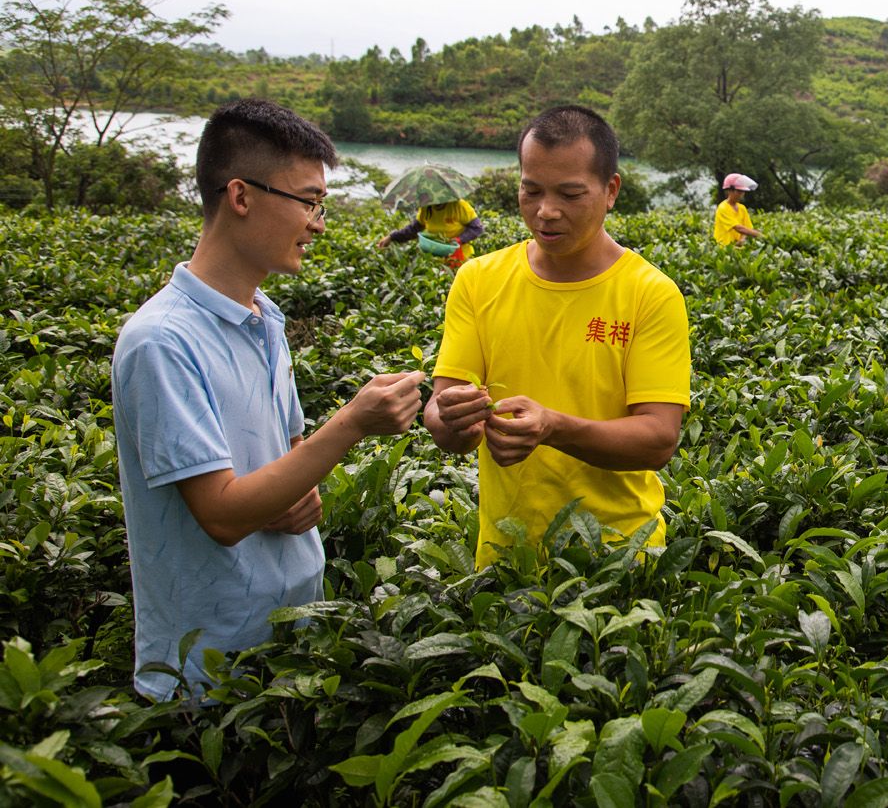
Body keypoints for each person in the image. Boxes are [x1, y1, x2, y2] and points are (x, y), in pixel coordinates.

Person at [111, 99, 424, 700]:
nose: (318, 222)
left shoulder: (266, 317)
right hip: (207, 675)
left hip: (289, 643)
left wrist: (293, 499)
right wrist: (355, 421)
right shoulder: (161, 342)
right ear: (242, 196)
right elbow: (224, 515)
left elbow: (289, 454)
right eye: (308, 201)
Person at [424, 106, 691, 565]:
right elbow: (445, 417)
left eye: (570, 194)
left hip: (618, 555)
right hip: (505, 554)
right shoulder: (477, 280)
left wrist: (553, 426)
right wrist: (450, 419)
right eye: (531, 191)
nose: (546, 212)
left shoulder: (651, 294)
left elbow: (657, 439)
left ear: (611, 191)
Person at [378, 198, 485, 267]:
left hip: (459, 257)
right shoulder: (426, 209)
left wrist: (459, 239)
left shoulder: (459, 206)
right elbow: (413, 230)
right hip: (434, 258)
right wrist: (392, 237)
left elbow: (477, 228)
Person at [714, 173, 762, 246]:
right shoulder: (723, 208)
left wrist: (742, 239)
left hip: (738, 249)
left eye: (743, 191)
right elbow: (739, 228)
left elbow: (747, 228)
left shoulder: (742, 208)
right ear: (730, 191)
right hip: (724, 248)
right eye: (739, 191)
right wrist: (759, 235)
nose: (742, 194)